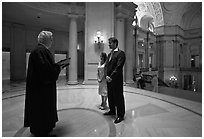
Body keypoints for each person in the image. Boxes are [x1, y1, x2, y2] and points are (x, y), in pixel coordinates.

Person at [24, 31, 65, 136]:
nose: (52, 41)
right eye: (51, 39)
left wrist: (56, 67)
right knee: (42, 110)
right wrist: (58, 67)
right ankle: (42, 131)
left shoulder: (40, 51)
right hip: (41, 91)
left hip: (40, 89)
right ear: (46, 39)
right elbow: (46, 72)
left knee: (41, 109)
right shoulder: (40, 51)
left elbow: (46, 68)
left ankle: (44, 128)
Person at [104, 37, 126, 124]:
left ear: (115, 43)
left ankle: (120, 115)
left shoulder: (121, 53)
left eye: (110, 43)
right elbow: (106, 66)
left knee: (118, 97)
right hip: (108, 79)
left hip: (116, 79)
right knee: (110, 96)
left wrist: (111, 76)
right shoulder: (109, 54)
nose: (109, 44)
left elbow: (119, 66)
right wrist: (106, 76)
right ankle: (112, 110)